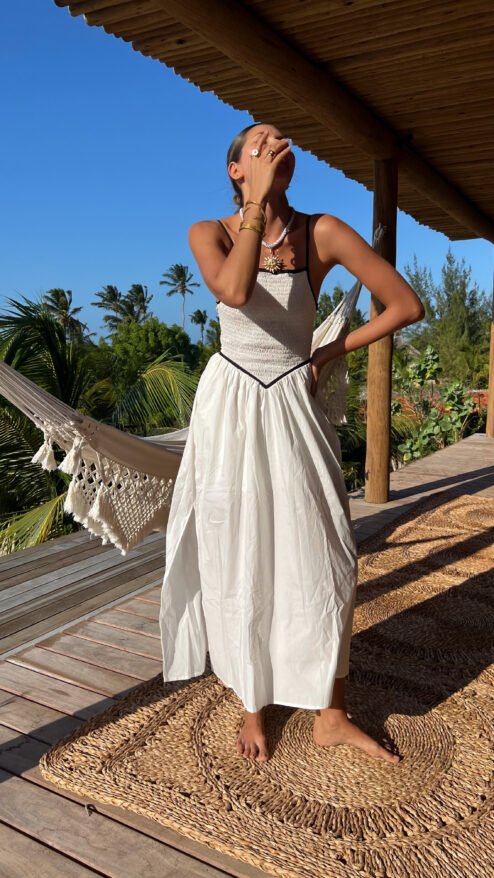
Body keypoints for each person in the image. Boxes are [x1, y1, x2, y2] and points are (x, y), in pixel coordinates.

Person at [159, 121, 424, 765]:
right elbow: (234, 290)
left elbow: (405, 305)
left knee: (327, 554)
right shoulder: (208, 232)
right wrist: (255, 202)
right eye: (259, 141)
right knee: (239, 550)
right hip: (230, 404)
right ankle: (253, 703)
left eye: (281, 139)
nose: (276, 144)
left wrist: (328, 351)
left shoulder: (322, 231)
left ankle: (331, 714)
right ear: (235, 168)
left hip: (292, 401)